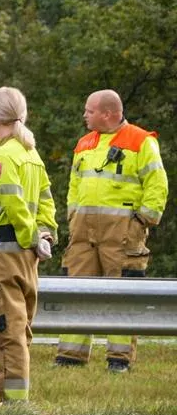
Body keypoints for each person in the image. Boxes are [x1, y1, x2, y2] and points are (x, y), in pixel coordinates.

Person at [55, 90, 168, 372]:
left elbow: (157, 184)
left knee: (121, 293)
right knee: (78, 289)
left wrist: (142, 221)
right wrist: (73, 214)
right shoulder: (84, 143)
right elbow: (74, 184)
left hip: (123, 233)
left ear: (107, 113)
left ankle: (119, 360)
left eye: (89, 111)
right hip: (83, 232)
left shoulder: (141, 141)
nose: (84, 115)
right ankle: (70, 356)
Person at [0, 87, 56, 403]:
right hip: (25, 255)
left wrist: (32, 234)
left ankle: (9, 399)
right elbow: (46, 199)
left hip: (0, 253)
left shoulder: (3, 154)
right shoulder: (30, 153)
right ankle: (12, 395)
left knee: (4, 329)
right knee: (19, 328)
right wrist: (44, 235)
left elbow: (12, 201)